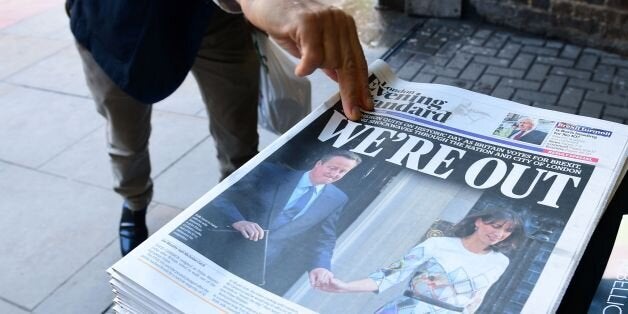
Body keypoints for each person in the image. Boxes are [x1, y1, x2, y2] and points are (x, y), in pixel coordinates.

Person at [66, 0, 373, 256]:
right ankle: (134, 204)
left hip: (214, 16)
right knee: (126, 136)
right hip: (116, 21)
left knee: (238, 137)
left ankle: (238, 203)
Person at [197, 150, 361, 294]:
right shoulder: (271, 173)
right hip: (223, 244)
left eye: (343, 171)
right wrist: (239, 221)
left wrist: (321, 266)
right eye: (333, 167)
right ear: (318, 163)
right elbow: (222, 196)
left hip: (258, 263)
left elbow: (324, 237)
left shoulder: (337, 199)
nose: (335, 174)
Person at [317, 209, 524, 313]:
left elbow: (476, 300)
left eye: (507, 230)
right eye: (495, 226)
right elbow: (392, 274)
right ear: (478, 221)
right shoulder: (438, 244)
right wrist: (344, 287)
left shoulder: (500, 262)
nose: (500, 234)